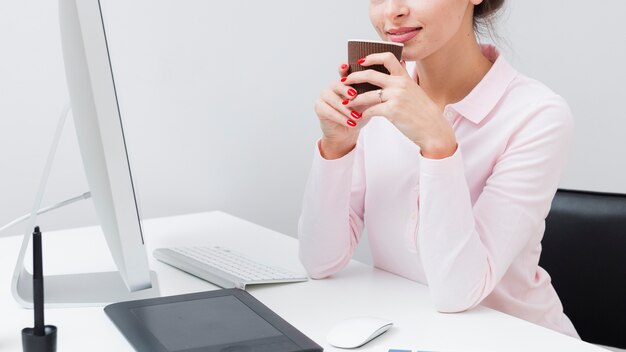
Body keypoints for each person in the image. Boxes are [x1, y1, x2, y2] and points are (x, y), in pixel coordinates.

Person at [298, 0, 579, 338]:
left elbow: (458, 292)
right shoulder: (378, 96)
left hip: (521, 338)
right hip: (414, 332)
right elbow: (320, 261)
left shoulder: (537, 115)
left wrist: (437, 146)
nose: (393, 11)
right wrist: (337, 147)